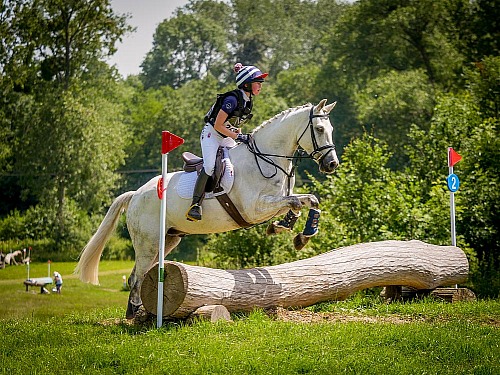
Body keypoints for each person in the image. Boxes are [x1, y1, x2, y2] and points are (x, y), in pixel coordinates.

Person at [185, 63, 268, 222]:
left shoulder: (247, 101)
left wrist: (241, 136)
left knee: (243, 156)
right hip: (212, 135)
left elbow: (235, 125)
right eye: (258, 82)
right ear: (247, 84)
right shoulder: (231, 99)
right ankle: (195, 204)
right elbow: (218, 125)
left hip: (227, 135)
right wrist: (237, 137)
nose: (260, 86)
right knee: (209, 166)